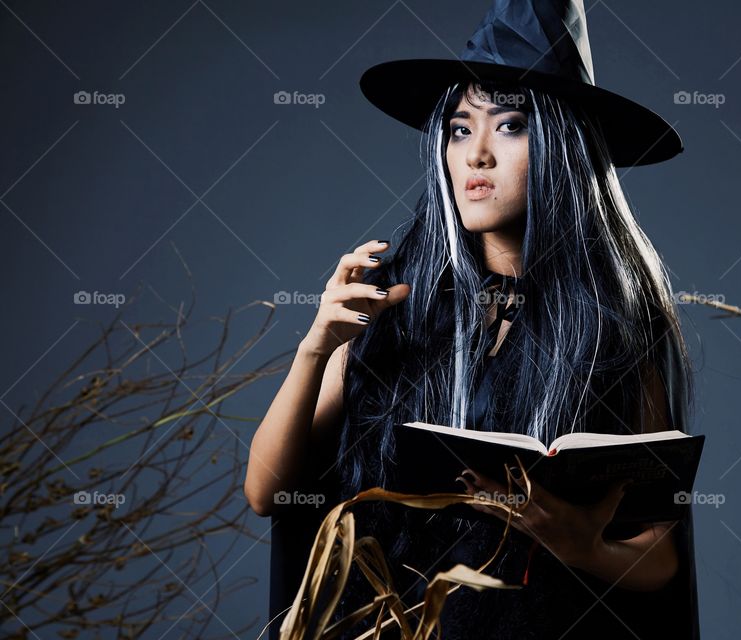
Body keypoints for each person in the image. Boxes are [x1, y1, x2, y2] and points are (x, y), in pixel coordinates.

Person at [246, 1, 701, 638]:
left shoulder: (614, 332)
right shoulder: (390, 300)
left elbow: (661, 557)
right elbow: (268, 493)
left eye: (510, 125)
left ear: (561, 147)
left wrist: (586, 547)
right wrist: (315, 349)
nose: (476, 155)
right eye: (460, 129)